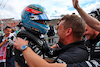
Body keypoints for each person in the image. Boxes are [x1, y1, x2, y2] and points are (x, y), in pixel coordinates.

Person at [14, 13, 89, 65]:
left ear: (68, 31)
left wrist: (24, 47)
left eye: (59, 28)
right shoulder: (74, 48)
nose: (56, 30)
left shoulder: (70, 57)